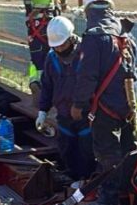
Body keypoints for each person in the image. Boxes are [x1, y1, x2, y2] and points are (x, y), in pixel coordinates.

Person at [71, 0, 137, 205]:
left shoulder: (93, 38)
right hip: (128, 105)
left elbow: (87, 76)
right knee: (127, 150)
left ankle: (108, 200)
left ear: (89, 12)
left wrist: (79, 105)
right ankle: (127, 190)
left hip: (105, 107)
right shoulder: (126, 35)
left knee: (106, 153)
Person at [37, 16, 95, 182]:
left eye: (63, 45)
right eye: (56, 47)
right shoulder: (51, 59)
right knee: (66, 148)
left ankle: (87, 179)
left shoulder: (86, 56)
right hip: (64, 115)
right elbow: (47, 86)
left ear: (71, 38)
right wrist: (43, 111)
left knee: (87, 150)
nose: (60, 49)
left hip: (86, 115)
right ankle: (72, 176)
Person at [20, 0, 65, 93]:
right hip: (53, 25)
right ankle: (57, 85)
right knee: (55, 54)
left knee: (37, 56)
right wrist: (63, 6)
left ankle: (37, 83)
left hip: (38, 27)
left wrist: (29, 12)